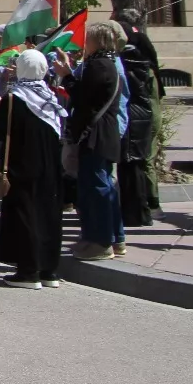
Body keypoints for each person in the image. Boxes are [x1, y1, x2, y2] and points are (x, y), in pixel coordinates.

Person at [0, 48, 66, 288]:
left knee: (26, 216)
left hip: (21, 166)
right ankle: (49, 270)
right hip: (50, 165)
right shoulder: (51, 97)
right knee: (48, 214)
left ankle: (28, 271)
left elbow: (1, 132)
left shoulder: (14, 98)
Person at [64, 20, 125, 261]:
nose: (84, 43)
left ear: (97, 41)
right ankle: (112, 238)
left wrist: (67, 77)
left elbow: (83, 98)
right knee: (103, 186)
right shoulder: (106, 63)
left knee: (96, 189)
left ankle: (101, 242)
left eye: (87, 39)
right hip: (102, 134)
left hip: (96, 135)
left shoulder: (99, 65)